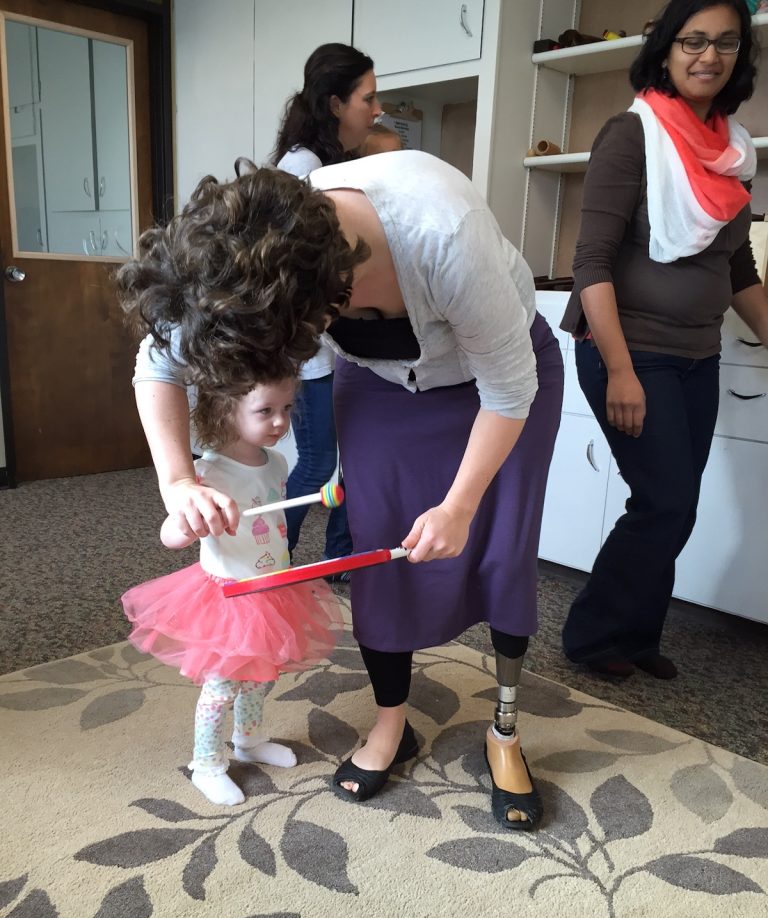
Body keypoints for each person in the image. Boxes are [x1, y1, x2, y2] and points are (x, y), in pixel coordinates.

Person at [119, 149, 564, 831]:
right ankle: (391, 725)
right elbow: (159, 361)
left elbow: (510, 387)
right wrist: (177, 480)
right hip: (385, 386)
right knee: (382, 549)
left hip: (499, 382)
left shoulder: (441, 232)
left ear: (317, 305)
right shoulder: (243, 264)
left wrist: (459, 503)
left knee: (501, 549)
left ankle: (505, 733)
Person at [560, 0, 768, 680]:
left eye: (726, 42)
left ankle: (637, 635)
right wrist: (619, 369)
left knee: (676, 502)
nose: (709, 55)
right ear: (667, 49)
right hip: (629, 350)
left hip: (696, 355)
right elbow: (590, 262)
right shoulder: (632, 135)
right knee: (665, 499)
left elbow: (738, 269)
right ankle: (591, 635)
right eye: (694, 41)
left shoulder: (734, 152)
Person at [121, 372, 343, 806]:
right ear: (226, 411)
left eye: (286, 410)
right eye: (266, 411)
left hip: (274, 588)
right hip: (230, 597)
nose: (280, 422)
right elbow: (171, 534)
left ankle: (249, 739)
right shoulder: (206, 472)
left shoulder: (276, 463)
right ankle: (206, 764)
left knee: (263, 676)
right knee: (223, 687)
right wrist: (182, 524)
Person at [272, 43, 383, 574]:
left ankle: (339, 557)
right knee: (317, 463)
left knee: (353, 463)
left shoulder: (335, 165)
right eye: (369, 97)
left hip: (346, 351)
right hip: (313, 353)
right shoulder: (303, 167)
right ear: (336, 103)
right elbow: (290, 269)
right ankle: (270, 556)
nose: (377, 109)